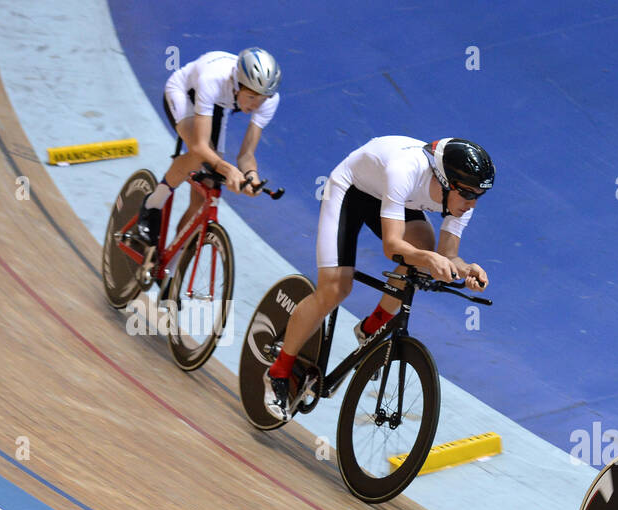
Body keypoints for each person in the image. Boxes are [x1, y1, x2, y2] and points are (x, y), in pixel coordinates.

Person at [262, 136, 493, 420]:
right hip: (351, 190)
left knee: (425, 253)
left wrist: (466, 268)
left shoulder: (460, 203)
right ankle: (278, 371)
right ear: (445, 182)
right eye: (468, 194)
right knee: (335, 289)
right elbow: (392, 246)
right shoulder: (404, 170)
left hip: (393, 197)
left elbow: (449, 255)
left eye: (478, 196)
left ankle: (371, 328)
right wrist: (429, 258)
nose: (472, 204)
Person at [128, 47, 282, 249]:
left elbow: (246, 155)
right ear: (238, 85)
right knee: (199, 157)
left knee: (206, 189)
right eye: (252, 97)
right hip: (184, 92)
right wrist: (228, 170)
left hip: (218, 104)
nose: (257, 105)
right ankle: (152, 206)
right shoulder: (213, 79)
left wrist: (251, 176)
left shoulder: (268, 101)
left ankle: (173, 265)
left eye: (263, 98)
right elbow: (200, 147)